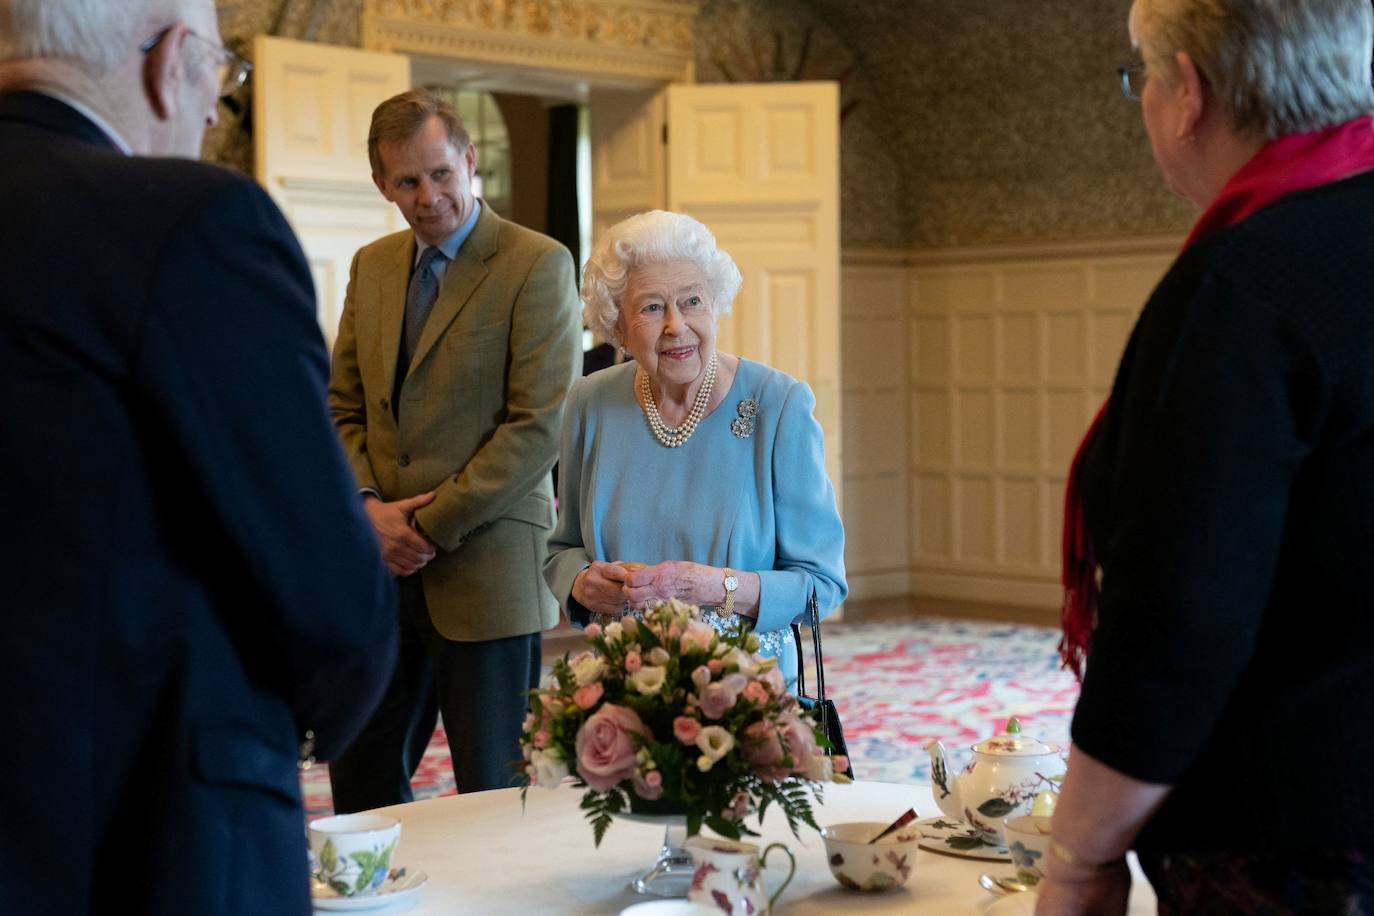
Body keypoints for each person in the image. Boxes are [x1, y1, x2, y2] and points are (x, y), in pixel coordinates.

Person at [0, 0, 399, 911]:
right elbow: (330, 596)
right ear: (171, 60)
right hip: (142, 832)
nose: (216, 111)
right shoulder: (187, 223)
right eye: (222, 73)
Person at [1043, 1, 1374, 913]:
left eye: (1142, 79)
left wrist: (1079, 855)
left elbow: (1180, 615)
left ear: (1189, 91)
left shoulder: (1246, 284)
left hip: (1304, 840)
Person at [327, 88, 582, 808]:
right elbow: (341, 405)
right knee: (363, 782)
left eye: (441, 173)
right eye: (406, 181)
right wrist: (369, 509)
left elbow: (539, 423)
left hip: (487, 567)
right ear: (382, 184)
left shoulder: (536, 262)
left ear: (469, 161)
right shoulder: (372, 265)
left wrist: (426, 529)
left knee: (494, 793)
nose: (427, 195)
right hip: (378, 571)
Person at [543, 210, 847, 687]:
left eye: (692, 302)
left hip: (745, 693)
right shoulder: (590, 402)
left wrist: (715, 587)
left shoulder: (777, 405)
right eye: (650, 308)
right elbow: (563, 549)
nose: (675, 326)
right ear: (617, 326)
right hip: (625, 687)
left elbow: (821, 587)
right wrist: (582, 583)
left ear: (715, 306)